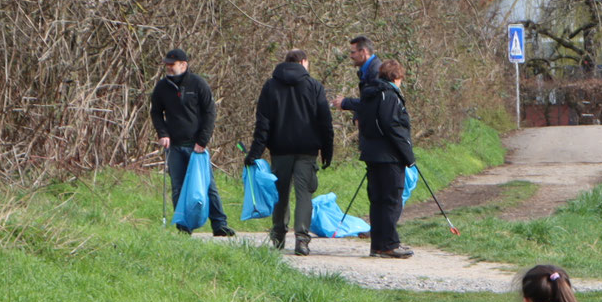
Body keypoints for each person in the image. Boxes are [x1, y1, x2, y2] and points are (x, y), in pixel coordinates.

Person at [245, 49, 334, 255]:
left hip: (280, 150)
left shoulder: (270, 86)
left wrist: (255, 153)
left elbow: (263, 124)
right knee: (304, 195)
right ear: (304, 62)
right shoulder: (314, 86)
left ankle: (278, 236)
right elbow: (325, 122)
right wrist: (327, 150)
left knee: (280, 194)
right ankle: (302, 240)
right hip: (307, 150)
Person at [334, 38, 415, 260]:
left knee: (378, 200)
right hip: (389, 157)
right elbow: (392, 126)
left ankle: (378, 245)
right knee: (390, 200)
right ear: (396, 78)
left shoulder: (368, 95)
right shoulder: (389, 96)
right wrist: (408, 155)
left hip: (371, 154)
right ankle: (389, 244)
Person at [149, 48, 235, 237]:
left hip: (196, 145)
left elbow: (210, 112)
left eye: (172, 64)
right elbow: (156, 112)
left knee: (207, 185)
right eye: (167, 65)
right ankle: (184, 226)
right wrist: (162, 133)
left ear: (184, 65)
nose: (168, 68)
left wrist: (202, 140)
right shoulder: (162, 87)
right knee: (178, 186)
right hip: (174, 146)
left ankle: (219, 224)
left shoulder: (198, 84)